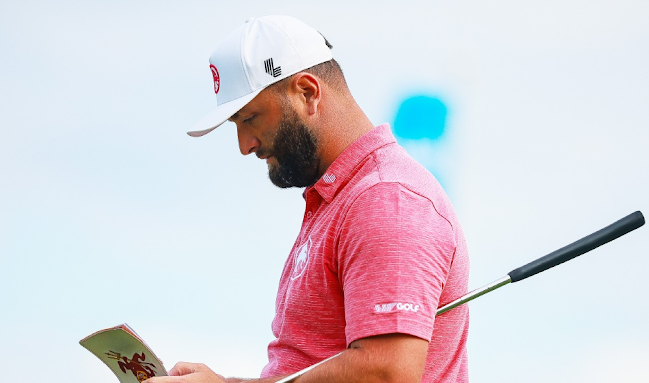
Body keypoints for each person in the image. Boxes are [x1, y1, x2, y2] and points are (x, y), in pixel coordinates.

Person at [145, 15, 470, 383]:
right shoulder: (343, 199)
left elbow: (387, 372)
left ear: (308, 93)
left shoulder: (387, 200)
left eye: (250, 118)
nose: (244, 145)